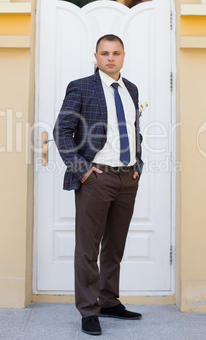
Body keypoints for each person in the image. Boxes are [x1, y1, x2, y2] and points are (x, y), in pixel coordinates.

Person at [53, 34, 144, 336]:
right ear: (95, 56)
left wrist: (137, 166)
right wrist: (82, 172)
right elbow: (62, 131)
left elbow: (134, 131)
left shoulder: (131, 89)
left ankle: (108, 301)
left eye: (116, 53)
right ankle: (89, 310)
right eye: (104, 53)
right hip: (97, 179)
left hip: (126, 178)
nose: (110, 58)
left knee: (115, 246)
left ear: (123, 55)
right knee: (88, 249)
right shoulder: (81, 87)